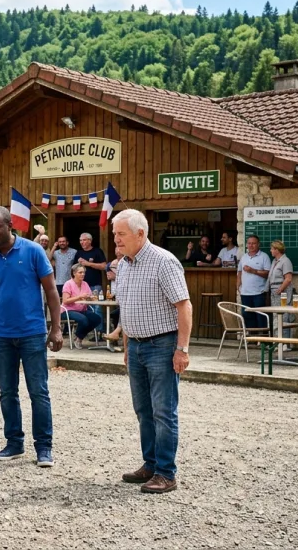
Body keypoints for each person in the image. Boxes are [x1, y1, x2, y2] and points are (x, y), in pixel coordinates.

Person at [0, 207, 63, 467]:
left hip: (32, 333)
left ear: (10, 226)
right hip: (1, 335)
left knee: (39, 392)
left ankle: (44, 447)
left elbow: (51, 291)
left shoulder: (33, 251)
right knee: (7, 392)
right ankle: (14, 443)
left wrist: (56, 328)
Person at [112, 208, 192, 494]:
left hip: (162, 345)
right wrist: (127, 346)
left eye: (121, 234)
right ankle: (151, 464)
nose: (116, 239)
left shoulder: (164, 261)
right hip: (136, 346)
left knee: (163, 411)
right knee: (143, 410)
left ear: (140, 233)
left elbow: (184, 306)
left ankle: (166, 473)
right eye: (115, 234)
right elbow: (126, 308)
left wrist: (182, 349)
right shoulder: (123, 265)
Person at [62, 263, 104, 348]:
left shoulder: (85, 284)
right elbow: (65, 300)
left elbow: (88, 297)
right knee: (83, 319)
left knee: (97, 319)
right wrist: (79, 297)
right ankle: (79, 338)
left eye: (84, 272)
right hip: (68, 310)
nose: (83, 274)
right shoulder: (68, 284)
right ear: (74, 273)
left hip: (82, 310)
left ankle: (78, 336)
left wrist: (91, 298)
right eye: (80, 272)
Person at [237, 235, 271, 330]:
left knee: (261, 318)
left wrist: (253, 271)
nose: (251, 245)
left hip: (259, 293)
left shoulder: (264, 256)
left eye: (253, 243)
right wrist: (238, 286)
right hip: (245, 293)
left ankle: (263, 338)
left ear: (258, 244)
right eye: (249, 243)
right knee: (247, 317)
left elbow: (268, 274)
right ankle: (251, 337)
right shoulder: (244, 257)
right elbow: (239, 272)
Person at [267, 240, 295, 338]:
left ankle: (285, 342)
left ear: (277, 250)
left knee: (283, 316)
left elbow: (288, 278)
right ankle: (277, 340)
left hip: (282, 292)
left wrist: (280, 289)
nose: (270, 250)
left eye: (272, 249)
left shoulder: (285, 261)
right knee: (276, 316)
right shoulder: (274, 261)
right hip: (274, 291)